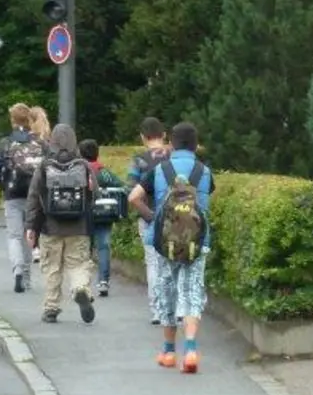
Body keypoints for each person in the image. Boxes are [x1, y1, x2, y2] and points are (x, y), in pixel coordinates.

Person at [129, 121, 215, 373]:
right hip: (197, 242)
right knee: (192, 291)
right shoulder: (204, 171)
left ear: (172, 144)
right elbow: (207, 201)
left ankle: (168, 351)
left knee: (167, 290)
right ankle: (190, 349)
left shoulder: (160, 170)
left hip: (163, 242)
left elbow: (133, 197)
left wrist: (153, 217)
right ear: (196, 145)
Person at [25, 124, 97, 323]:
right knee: (79, 264)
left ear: (52, 141)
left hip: (51, 227)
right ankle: (80, 288)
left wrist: (31, 226)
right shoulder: (83, 165)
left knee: (52, 268)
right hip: (79, 227)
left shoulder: (45, 165)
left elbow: (34, 198)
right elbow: (94, 195)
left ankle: (51, 308)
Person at [0, 103, 46, 293]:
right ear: (29, 120)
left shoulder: (5, 143)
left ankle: (18, 269)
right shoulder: (39, 143)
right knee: (30, 234)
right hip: (34, 196)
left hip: (12, 195)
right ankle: (27, 278)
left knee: (14, 236)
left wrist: (3, 185)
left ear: (12, 120)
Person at [127, 117, 173, 323]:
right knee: (174, 262)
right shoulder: (174, 157)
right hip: (177, 218)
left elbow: (130, 190)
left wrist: (148, 215)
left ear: (143, 137)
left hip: (149, 217)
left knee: (153, 264)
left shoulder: (139, 160)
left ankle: (157, 310)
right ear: (164, 135)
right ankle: (174, 308)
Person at [80, 139, 124, 296]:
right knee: (103, 247)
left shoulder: (79, 171)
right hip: (104, 214)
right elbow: (120, 185)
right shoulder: (103, 171)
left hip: (84, 216)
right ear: (97, 154)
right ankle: (103, 281)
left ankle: (82, 282)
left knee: (84, 248)